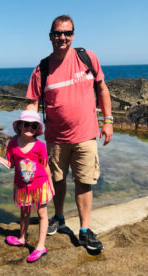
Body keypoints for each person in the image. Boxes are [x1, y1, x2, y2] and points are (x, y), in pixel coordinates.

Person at [26, 15, 113, 251]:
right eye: (57, 33)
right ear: (50, 36)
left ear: (73, 35)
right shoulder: (41, 69)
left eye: (67, 33)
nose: (62, 37)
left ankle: (84, 230)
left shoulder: (87, 57)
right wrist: (27, 133)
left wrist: (108, 121)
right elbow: (33, 103)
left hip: (86, 135)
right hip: (55, 139)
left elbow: (102, 89)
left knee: (84, 182)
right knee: (57, 180)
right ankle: (60, 217)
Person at [0, 110, 54, 262]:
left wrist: (51, 186)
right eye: (26, 124)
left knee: (41, 214)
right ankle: (22, 238)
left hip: (39, 185)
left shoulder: (40, 146)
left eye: (34, 126)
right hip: (22, 187)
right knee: (24, 213)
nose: (29, 128)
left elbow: (45, 167)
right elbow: (11, 164)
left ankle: (40, 246)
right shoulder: (12, 143)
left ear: (37, 129)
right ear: (19, 126)